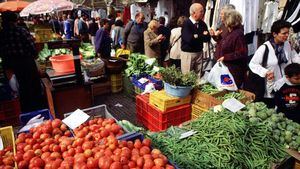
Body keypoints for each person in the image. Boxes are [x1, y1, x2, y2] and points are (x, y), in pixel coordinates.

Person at [0, 12, 45, 112]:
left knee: (20, 90)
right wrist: (35, 55)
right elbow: (32, 47)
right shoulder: (21, 31)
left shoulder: (2, 34)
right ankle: (38, 108)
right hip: (26, 63)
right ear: (15, 20)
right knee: (33, 87)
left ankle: (25, 109)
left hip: (11, 66)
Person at [249, 20, 299, 108]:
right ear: (275, 34)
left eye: (287, 33)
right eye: (284, 33)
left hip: (285, 85)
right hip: (271, 86)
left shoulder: (287, 44)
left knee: (287, 108)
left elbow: (294, 57)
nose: (287, 35)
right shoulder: (264, 48)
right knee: (271, 108)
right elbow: (253, 64)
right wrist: (265, 72)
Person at [216, 10, 248, 88]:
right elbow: (225, 44)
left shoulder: (238, 34)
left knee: (230, 92)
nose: (223, 21)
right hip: (226, 69)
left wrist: (225, 57)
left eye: (225, 19)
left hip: (233, 71)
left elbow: (242, 53)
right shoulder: (230, 32)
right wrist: (217, 37)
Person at [181, 3, 211, 76]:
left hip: (199, 53)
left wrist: (196, 36)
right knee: (187, 76)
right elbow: (189, 40)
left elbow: (207, 38)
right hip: (188, 54)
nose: (203, 13)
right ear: (194, 13)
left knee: (198, 75)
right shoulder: (186, 24)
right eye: (201, 11)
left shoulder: (203, 24)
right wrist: (202, 35)